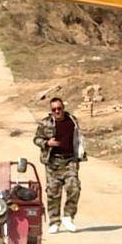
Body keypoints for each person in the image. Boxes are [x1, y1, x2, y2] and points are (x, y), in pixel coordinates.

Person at [33, 97, 85, 233]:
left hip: (70, 161)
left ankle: (68, 216)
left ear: (63, 108)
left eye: (59, 109)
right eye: (54, 109)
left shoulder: (72, 120)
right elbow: (36, 139)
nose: (57, 111)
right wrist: (46, 143)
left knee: (74, 188)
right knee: (53, 192)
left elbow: (78, 138)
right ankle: (54, 221)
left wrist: (79, 156)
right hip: (53, 162)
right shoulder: (46, 123)